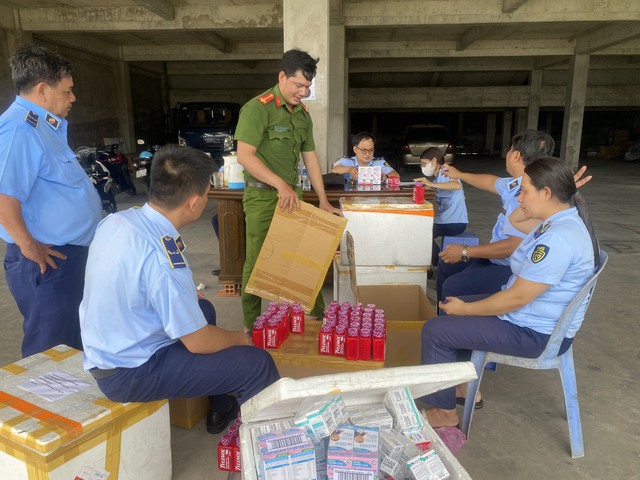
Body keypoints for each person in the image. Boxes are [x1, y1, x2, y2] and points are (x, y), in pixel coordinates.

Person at [80, 145, 280, 434]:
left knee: (204, 309)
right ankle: (271, 451)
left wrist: (185, 296)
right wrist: (244, 338)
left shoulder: (120, 220)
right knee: (256, 364)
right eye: (208, 194)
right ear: (193, 202)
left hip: (110, 348)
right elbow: (199, 343)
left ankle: (220, 406)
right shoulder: (164, 258)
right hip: (130, 372)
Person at [420, 156, 600, 428]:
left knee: (436, 330)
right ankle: (458, 384)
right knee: (448, 305)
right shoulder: (558, 220)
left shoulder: (557, 238)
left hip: (534, 332)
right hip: (528, 317)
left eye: (525, 191)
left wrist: (467, 310)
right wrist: (550, 198)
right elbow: (516, 220)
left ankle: (444, 413)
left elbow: (517, 297)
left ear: (547, 193)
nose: (519, 198)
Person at [0, 45, 102, 357]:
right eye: (67, 91)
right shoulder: (19, 130)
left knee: (72, 346)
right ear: (43, 90)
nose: (73, 98)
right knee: (52, 354)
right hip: (48, 262)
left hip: (67, 259)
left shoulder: (43, 127)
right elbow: (4, 196)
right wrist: (29, 246)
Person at [235, 49, 342, 332]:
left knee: (303, 254)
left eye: (307, 87)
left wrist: (322, 200)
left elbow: (311, 159)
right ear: (282, 77)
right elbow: (245, 155)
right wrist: (280, 184)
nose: (303, 92)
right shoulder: (258, 108)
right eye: (298, 85)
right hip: (261, 196)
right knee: (257, 259)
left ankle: (315, 313)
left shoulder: (303, 115)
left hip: (291, 195)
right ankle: (251, 322)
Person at [435, 129, 556, 304]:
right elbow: (491, 182)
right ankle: (444, 317)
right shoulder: (517, 183)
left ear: (516, 155)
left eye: (509, 149)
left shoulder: (529, 195)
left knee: (453, 286)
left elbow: (512, 246)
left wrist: (464, 251)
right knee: (447, 262)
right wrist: (459, 174)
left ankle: (449, 326)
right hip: (497, 258)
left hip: (511, 268)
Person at [413, 147, 468, 267]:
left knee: (422, 232)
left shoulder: (446, 170)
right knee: (422, 228)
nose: (422, 167)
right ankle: (438, 261)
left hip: (454, 222)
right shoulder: (439, 178)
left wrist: (431, 184)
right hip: (447, 220)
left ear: (434, 161)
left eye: (424, 164)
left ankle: (438, 262)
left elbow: (456, 185)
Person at [331, 131, 400, 182]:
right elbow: (334, 170)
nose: (367, 154)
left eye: (371, 150)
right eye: (364, 150)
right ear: (355, 149)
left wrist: (386, 176)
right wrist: (349, 169)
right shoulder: (348, 161)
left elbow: (396, 175)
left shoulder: (379, 162)